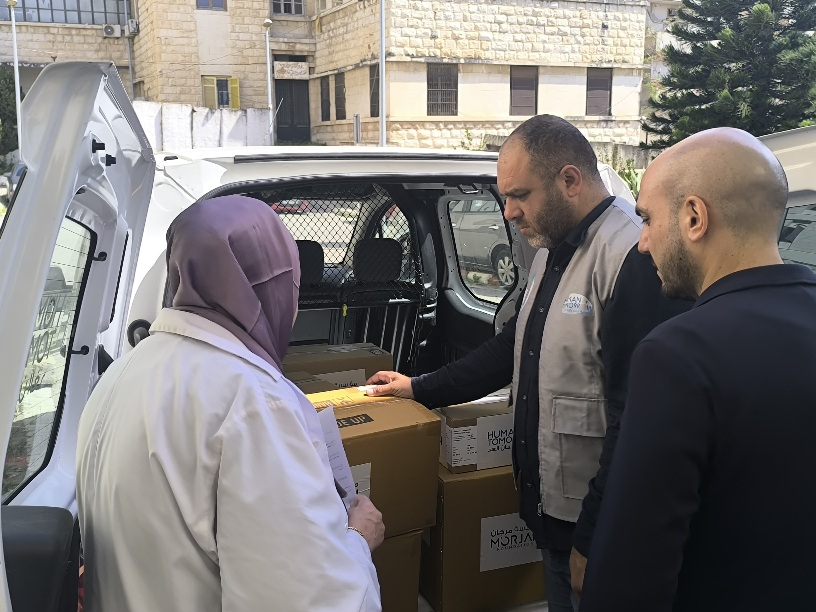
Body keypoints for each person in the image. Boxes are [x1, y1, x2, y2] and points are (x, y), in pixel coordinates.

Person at [365, 115, 689, 611]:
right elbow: (510, 349)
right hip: (553, 511)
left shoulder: (631, 256)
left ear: (570, 180)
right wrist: (419, 387)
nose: (509, 212)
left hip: (594, 525)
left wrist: (594, 536)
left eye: (520, 195)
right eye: (505, 197)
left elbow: (639, 417)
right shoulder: (552, 249)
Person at [76, 195, 384, 612]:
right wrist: (358, 540)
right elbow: (305, 600)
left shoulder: (123, 372)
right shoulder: (253, 402)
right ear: (272, 289)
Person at [579, 128, 816, 612]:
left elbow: (631, 575)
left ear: (694, 217)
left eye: (648, 219)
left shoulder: (677, 355)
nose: (643, 243)